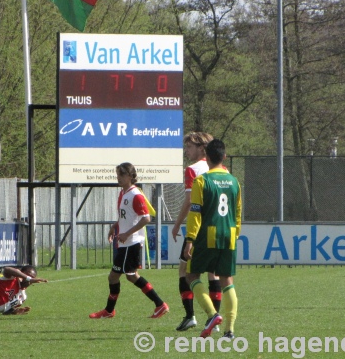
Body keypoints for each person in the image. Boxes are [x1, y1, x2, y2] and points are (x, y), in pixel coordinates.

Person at [89, 162, 169, 319]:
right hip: (126, 242)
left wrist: (127, 233)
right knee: (131, 276)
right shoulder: (123, 193)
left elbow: (146, 218)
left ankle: (109, 310)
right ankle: (160, 305)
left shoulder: (136, 195)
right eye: (117, 174)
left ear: (130, 176)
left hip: (131, 242)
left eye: (121, 174)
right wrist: (115, 227)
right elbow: (126, 217)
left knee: (115, 276)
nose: (118, 178)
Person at [183, 139, 242, 339]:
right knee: (227, 280)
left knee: (192, 276)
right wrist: (235, 234)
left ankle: (212, 314)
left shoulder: (202, 181)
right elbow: (239, 212)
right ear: (224, 157)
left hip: (207, 235)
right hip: (229, 235)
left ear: (206, 158)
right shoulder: (234, 181)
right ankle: (230, 330)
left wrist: (190, 239)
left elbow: (195, 213)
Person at [171, 132, 223, 332]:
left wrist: (177, 225)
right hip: (218, 227)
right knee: (214, 273)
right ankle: (215, 322)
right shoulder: (221, 168)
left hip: (198, 228)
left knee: (185, 271)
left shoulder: (192, 169)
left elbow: (189, 201)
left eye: (189, 147)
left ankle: (192, 315)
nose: (186, 151)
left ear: (202, 148)